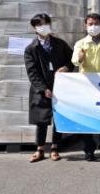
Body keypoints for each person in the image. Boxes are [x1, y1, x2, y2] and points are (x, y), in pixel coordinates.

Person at [24, 13, 75, 163]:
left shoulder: (60, 44)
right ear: (34, 28)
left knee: (58, 119)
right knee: (41, 120)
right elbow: (32, 72)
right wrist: (42, 88)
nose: (43, 27)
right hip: (41, 89)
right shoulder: (31, 48)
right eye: (39, 25)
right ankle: (40, 149)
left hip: (60, 87)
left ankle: (55, 148)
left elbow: (72, 60)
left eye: (46, 23)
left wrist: (66, 67)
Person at [71, 13, 100, 161]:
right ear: (85, 26)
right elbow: (74, 61)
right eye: (90, 24)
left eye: (96, 24)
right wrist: (80, 58)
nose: (93, 26)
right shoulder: (80, 43)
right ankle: (89, 150)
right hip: (87, 86)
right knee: (87, 119)